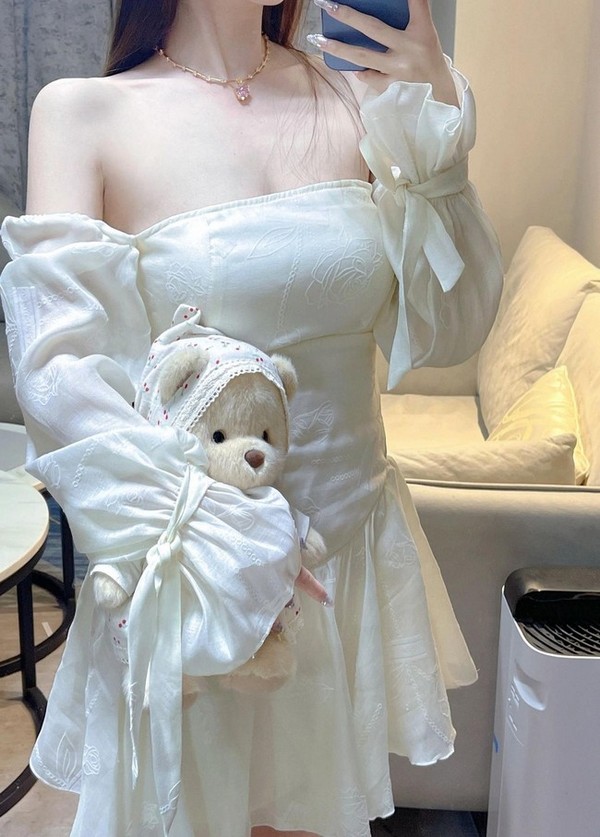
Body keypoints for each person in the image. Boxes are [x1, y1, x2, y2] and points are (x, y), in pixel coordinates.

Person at [0, 0, 503, 835]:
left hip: (342, 560)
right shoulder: (84, 114)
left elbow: (452, 328)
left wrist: (432, 123)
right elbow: (58, 376)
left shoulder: (355, 98)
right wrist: (206, 541)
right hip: (200, 569)